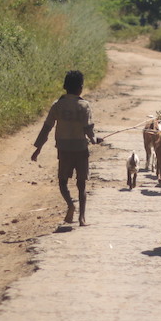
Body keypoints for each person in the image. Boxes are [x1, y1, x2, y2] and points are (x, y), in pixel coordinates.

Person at [31, 70, 102, 226]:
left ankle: (70, 205)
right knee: (81, 184)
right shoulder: (84, 105)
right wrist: (94, 139)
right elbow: (88, 129)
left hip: (64, 149)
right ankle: (82, 218)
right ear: (81, 87)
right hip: (81, 149)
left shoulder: (57, 105)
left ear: (65, 86)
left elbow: (46, 128)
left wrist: (38, 148)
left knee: (63, 182)